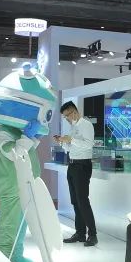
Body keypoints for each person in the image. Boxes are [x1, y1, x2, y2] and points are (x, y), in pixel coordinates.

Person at [56, 101, 97, 246]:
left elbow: (88, 144)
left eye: (67, 115)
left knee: (83, 200)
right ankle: (80, 233)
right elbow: (70, 148)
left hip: (82, 165)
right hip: (72, 165)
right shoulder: (73, 127)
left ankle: (92, 234)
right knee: (75, 201)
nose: (66, 119)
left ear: (73, 111)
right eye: (64, 116)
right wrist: (63, 142)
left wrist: (71, 140)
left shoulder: (86, 125)